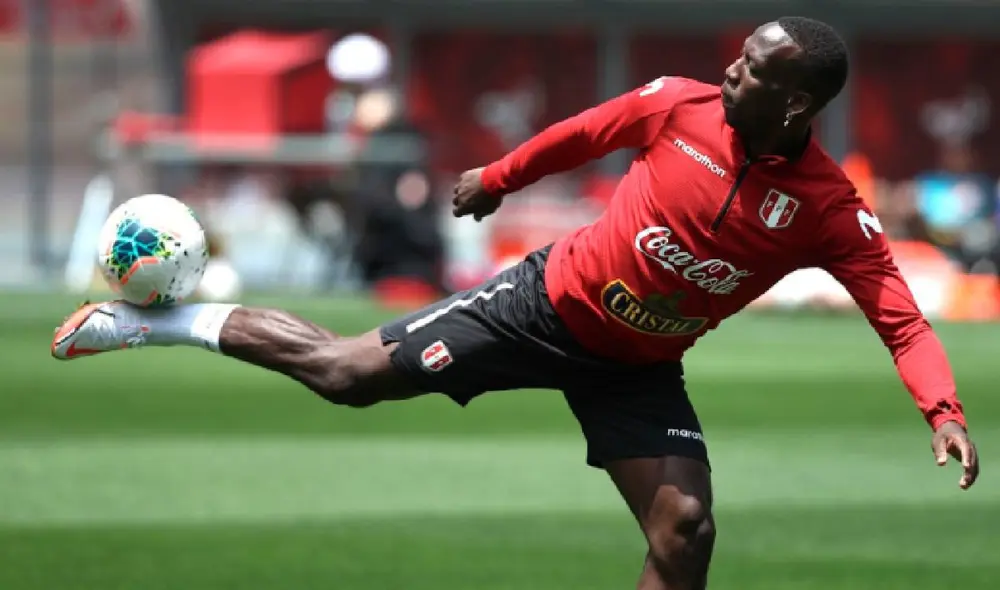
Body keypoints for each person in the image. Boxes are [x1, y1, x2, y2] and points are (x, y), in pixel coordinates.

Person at [52, 17, 979, 590]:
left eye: (752, 70)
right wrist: (497, 178)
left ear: (797, 105)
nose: (729, 73)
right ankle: (150, 321)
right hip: (539, 307)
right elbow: (585, 132)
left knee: (686, 530)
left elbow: (898, 315)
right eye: (737, 58)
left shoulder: (828, 210)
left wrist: (942, 409)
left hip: (637, 367)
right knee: (343, 374)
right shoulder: (677, 104)